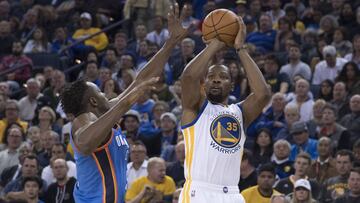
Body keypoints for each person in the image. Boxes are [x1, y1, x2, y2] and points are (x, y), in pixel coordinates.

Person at [60, 4, 188, 203]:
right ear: (93, 101)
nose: (107, 95)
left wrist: (170, 42)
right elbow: (84, 143)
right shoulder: (81, 122)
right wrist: (125, 103)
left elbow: (141, 79)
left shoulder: (105, 113)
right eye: (100, 92)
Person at [179, 14, 271, 202]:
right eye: (211, 76)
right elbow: (188, 77)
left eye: (223, 76)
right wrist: (214, 44)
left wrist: (240, 48)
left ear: (232, 85)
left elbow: (263, 94)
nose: (217, 79)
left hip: (232, 193)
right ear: (203, 85)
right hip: (199, 191)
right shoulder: (195, 106)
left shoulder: (240, 113)